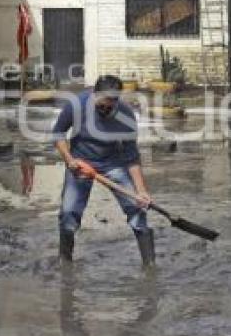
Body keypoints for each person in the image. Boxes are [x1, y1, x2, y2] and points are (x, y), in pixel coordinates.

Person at [52, 75, 155, 267]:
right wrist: (69, 159)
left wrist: (141, 191)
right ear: (94, 95)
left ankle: (150, 265)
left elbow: (132, 157)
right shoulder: (77, 105)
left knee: (137, 210)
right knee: (68, 214)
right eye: (101, 106)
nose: (105, 110)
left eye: (110, 106)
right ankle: (65, 261)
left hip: (113, 164)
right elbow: (58, 133)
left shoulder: (126, 117)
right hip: (81, 164)